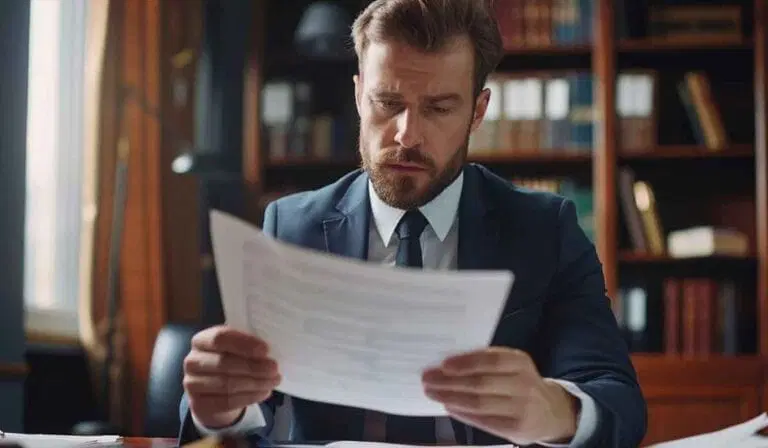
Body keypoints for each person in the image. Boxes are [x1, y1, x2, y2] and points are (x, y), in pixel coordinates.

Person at [178, 0, 647, 446]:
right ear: (359, 95)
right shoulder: (290, 226)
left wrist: (552, 409)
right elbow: (229, 405)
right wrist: (223, 407)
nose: (408, 135)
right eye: (387, 102)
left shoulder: (545, 229)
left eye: (439, 108)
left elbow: (619, 400)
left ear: (477, 112)